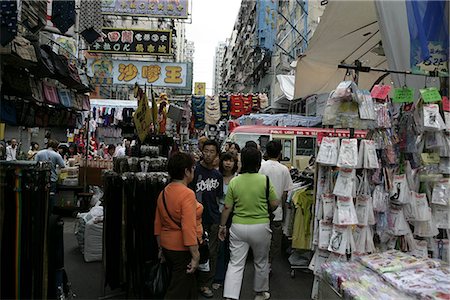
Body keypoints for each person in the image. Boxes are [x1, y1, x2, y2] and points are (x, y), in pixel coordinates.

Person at [218, 146, 279, 300]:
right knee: (261, 261)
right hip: (261, 227)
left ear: (241, 161)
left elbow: (227, 207)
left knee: (235, 263)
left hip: (238, 226)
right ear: (258, 162)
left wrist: (222, 226)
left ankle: (230, 296)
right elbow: (274, 203)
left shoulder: (235, 181)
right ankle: (260, 293)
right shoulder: (264, 180)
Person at [154, 152, 202, 299]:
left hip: (167, 245)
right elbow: (188, 227)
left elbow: (157, 224)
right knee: (177, 290)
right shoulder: (187, 194)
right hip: (181, 248)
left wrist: (160, 248)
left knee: (187, 285)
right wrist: (195, 255)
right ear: (186, 171)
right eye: (192, 168)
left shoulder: (164, 192)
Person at [189, 139, 223, 298]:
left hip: (213, 219)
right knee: (195, 251)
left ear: (217, 154)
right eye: (206, 151)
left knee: (212, 253)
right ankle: (193, 282)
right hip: (196, 220)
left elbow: (218, 198)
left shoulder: (217, 174)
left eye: (212, 152)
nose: (208, 154)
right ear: (202, 151)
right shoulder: (194, 172)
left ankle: (206, 284)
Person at [259, 140, 293, 268]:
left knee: (262, 239)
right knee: (274, 240)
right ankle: (269, 263)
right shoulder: (284, 169)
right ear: (280, 153)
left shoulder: (261, 167)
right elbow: (285, 193)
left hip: (261, 210)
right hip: (277, 211)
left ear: (266, 152)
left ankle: (261, 262)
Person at [214, 152, 239, 289]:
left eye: (231, 161)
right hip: (219, 215)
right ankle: (219, 277)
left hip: (234, 216)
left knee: (232, 248)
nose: (228, 163)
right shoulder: (217, 177)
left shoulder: (237, 179)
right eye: (226, 160)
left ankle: (231, 278)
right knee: (220, 248)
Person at [35, 139, 66, 213]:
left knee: (40, 196)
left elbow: (34, 164)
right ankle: (49, 213)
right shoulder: (56, 155)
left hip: (39, 179)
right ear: (55, 147)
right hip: (52, 179)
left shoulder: (39, 153)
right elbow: (62, 166)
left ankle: (39, 212)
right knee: (50, 197)